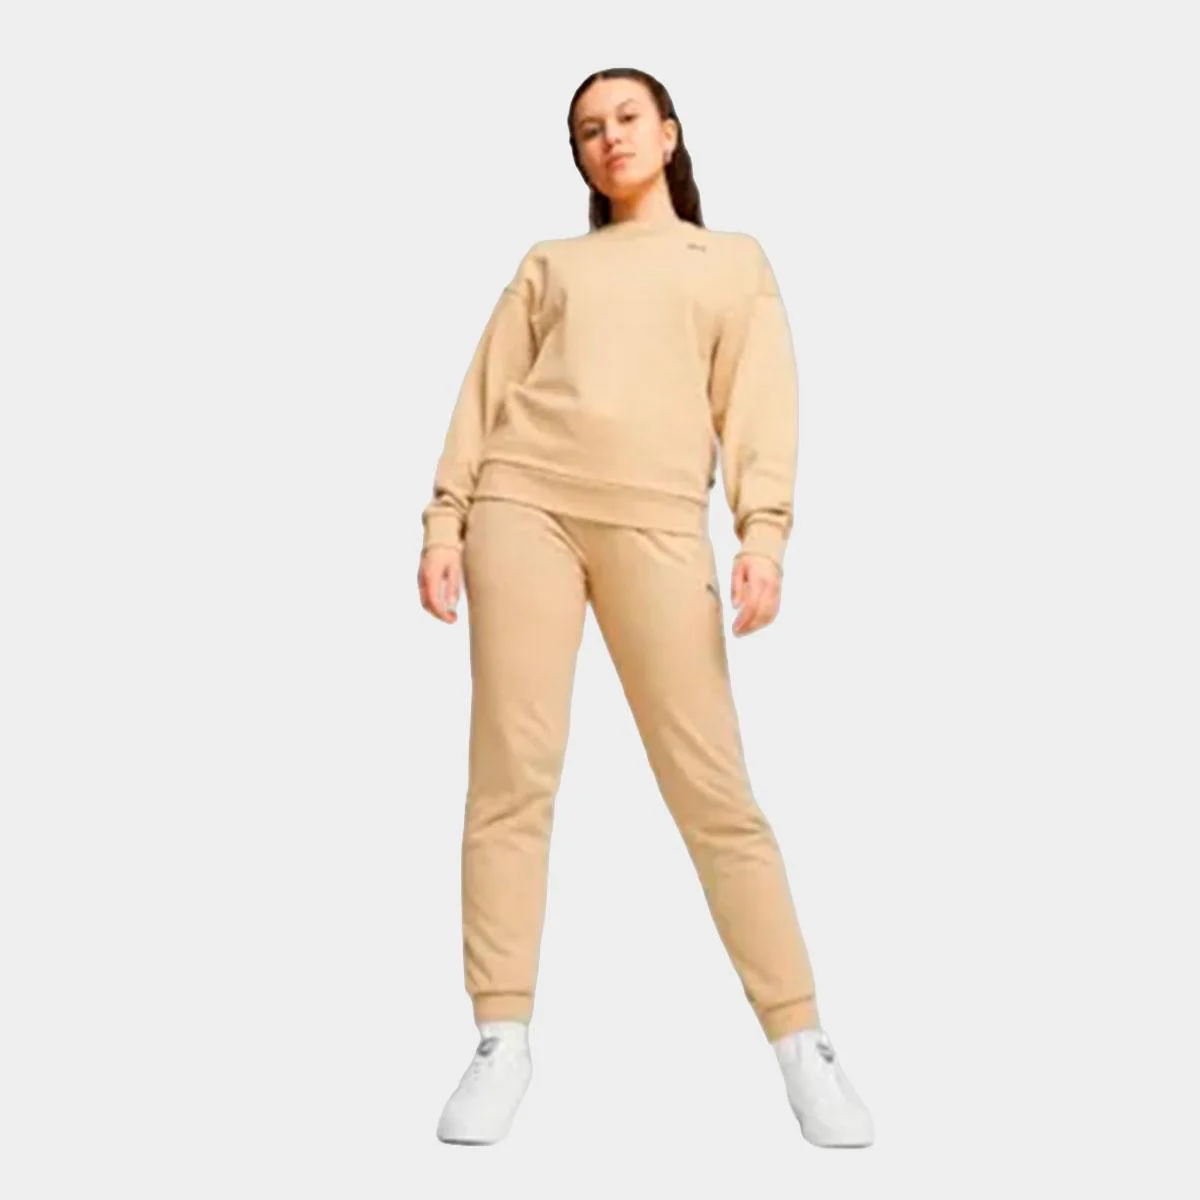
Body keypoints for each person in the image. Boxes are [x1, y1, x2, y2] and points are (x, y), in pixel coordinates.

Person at [417, 67, 874, 1149]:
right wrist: (444, 523)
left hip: (659, 522)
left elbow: (760, 403)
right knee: (511, 776)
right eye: (588, 129)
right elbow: (484, 396)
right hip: (521, 507)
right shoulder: (553, 263)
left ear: (669, 134)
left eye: (626, 119)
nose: (609, 138)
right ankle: (501, 1035)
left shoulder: (731, 261)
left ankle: (800, 1038)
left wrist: (763, 538)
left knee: (714, 789)